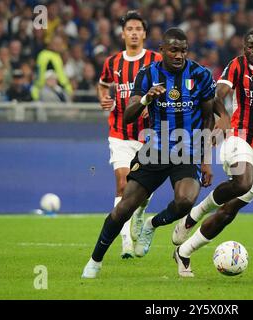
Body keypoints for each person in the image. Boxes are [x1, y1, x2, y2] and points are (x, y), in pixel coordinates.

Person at [82, 27, 216, 278]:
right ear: (162, 50)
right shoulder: (148, 74)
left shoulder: (200, 74)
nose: (179, 55)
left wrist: (206, 160)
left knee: (185, 201)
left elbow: (209, 118)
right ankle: (95, 261)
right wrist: (145, 100)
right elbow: (130, 114)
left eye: (183, 50)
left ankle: (151, 224)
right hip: (154, 150)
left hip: (186, 152)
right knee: (123, 208)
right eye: (174, 50)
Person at [171, 28, 253, 277]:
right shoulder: (237, 66)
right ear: (244, 49)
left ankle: (184, 252)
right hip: (239, 137)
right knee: (242, 182)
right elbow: (217, 93)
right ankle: (195, 213)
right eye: (249, 45)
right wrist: (222, 115)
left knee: (228, 211)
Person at [96, 11, 162, 259]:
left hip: (149, 134)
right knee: (123, 184)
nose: (134, 32)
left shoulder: (156, 60)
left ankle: (141, 211)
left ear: (144, 33)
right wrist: (104, 99)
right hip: (120, 133)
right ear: (123, 33)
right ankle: (125, 243)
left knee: (143, 191)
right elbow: (103, 84)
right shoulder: (112, 63)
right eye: (129, 29)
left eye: (138, 29)